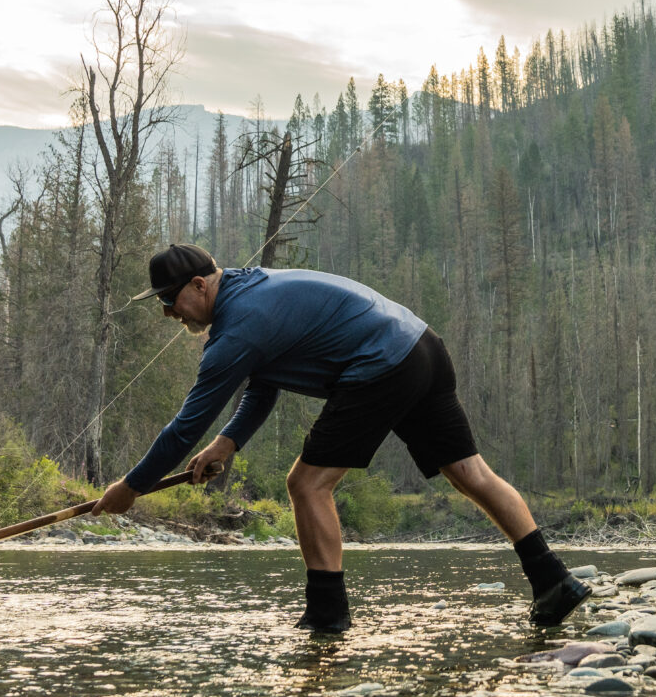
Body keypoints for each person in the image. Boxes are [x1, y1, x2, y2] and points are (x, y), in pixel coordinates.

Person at [90, 244, 591, 633]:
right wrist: (229, 442)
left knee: (307, 485)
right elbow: (264, 383)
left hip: (381, 363)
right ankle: (552, 580)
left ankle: (327, 616)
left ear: (198, 285)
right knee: (469, 472)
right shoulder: (252, 290)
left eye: (168, 300)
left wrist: (130, 488)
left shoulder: (235, 329)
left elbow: (183, 429)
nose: (168, 314)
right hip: (422, 346)